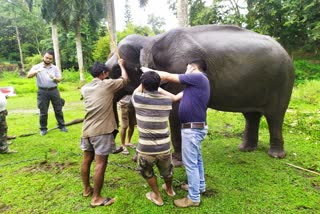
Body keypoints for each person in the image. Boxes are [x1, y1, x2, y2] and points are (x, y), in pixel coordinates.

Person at [141, 58, 210, 208]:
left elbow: (167, 76)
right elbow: (173, 98)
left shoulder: (198, 77)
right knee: (196, 160)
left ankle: (193, 198)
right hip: (194, 128)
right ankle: (199, 186)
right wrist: (155, 89)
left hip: (192, 129)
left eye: (186, 69)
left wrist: (150, 73)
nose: (185, 72)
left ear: (192, 68)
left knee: (190, 163)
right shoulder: (194, 87)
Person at [80, 59, 128, 207]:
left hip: (86, 130)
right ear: (104, 73)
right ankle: (96, 198)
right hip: (102, 131)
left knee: (87, 160)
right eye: (107, 73)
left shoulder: (85, 88)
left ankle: (87, 189)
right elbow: (125, 80)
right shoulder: (107, 84)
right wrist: (121, 65)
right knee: (101, 163)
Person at [132, 71, 176, 206]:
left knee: (147, 172)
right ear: (158, 85)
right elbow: (173, 98)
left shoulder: (137, 99)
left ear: (143, 84)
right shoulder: (167, 101)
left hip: (146, 149)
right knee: (167, 171)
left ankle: (157, 196)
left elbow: (136, 91)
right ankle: (169, 190)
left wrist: (144, 82)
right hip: (164, 147)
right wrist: (158, 86)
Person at [27, 50, 67, 136]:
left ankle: (62, 125)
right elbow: (28, 76)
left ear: (52, 59)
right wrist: (36, 71)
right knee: (43, 111)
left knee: (58, 109)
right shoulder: (37, 67)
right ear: (43, 57)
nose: (48, 60)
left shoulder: (55, 68)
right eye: (47, 58)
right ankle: (43, 128)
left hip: (54, 90)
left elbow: (59, 79)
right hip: (42, 91)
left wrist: (54, 78)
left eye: (50, 59)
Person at [0, 90, 17, 154]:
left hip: (2, 111)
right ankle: (3, 148)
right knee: (2, 129)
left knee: (2, 129)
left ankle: (3, 144)